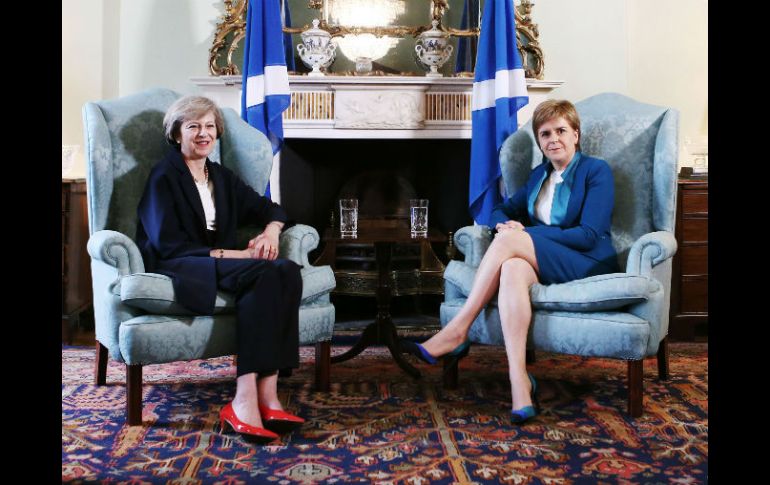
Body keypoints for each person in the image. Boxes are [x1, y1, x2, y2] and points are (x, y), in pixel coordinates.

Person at [403, 99, 619, 424]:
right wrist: (504, 225)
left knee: (512, 242)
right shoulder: (538, 176)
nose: (553, 139)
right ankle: (519, 381)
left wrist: (524, 234)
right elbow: (501, 209)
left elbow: (589, 234)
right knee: (511, 267)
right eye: (545, 134)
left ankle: (458, 328)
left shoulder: (595, 170)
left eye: (561, 130)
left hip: (586, 259)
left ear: (576, 134)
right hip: (546, 256)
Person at [136, 95, 304, 443]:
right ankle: (243, 397)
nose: (203, 133)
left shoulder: (220, 177)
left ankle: (268, 395)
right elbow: (167, 244)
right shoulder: (164, 176)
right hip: (183, 263)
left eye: (209, 126)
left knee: (285, 270)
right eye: (193, 126)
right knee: (268, 271)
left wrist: (271, 231)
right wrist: (239, 255)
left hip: (221, 260)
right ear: (177, 133)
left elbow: (271, 209)